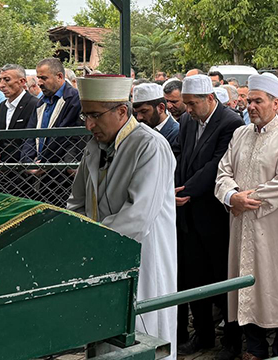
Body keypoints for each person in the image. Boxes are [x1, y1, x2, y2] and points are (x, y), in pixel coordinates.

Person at [67, 75, 177, 359]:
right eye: (85, 115)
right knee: (103, 335)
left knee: (143, 332)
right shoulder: (93, 147)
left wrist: (90, 241)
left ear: (121, 111)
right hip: (100, 255)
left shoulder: (150, 146)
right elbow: (76, 202)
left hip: (142, 257)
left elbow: (137, 218)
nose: (89, 125)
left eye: (95, 115)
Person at [214, 73, 278, 359]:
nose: (251, 106)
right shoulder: (240, 134)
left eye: (258, 101)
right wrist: (230, 196)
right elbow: (223, 172)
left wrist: (243, 199)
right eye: (249, 100)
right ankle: (254, 348)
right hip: (239, 223)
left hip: (272, 227)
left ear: (276, 104)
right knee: (242, 284)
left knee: (275, 288)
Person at [174, 74, 244, 358]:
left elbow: (217, 165)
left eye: (192, 104)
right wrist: (174, 186)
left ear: (210, 99)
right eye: (186, 104)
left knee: (223, 280)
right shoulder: (187, 121)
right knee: (194, 278)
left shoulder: (231, 123)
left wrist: (186, 190)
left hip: (215, 215)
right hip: (188, 214)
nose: (188, 109)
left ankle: (231, 339)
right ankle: (202, 335)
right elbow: (180, 155)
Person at [22, 58, 83, 163]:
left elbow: (66, 139)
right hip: (39, 167)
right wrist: (28, 162)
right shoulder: (40, 102)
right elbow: (30, 135)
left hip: (60, 170)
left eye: (44, 78)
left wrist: (46, 163)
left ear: (59, 76)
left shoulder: (75, 99)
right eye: (38, 78)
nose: (39, 83)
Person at [0, 64, 39, 162]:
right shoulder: (2, 106)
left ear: (22, 81)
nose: (1, 85)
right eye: (0, 80)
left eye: (7, 80)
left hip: (23, 166)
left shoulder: (34, 105)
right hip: (2, 168)